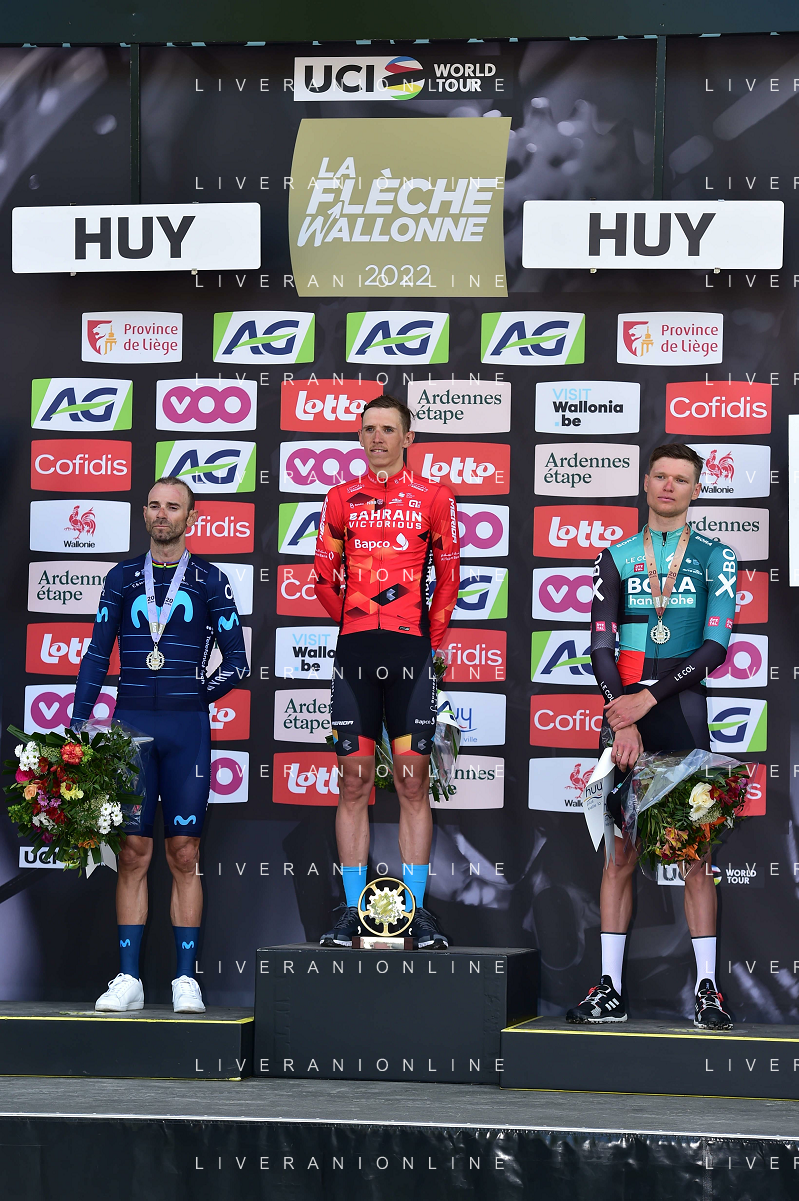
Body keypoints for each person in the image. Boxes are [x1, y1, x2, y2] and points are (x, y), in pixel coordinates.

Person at [566, 444, 738, 1030]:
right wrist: (626, 716)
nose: (669, 487)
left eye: (681, 479)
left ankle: (708, 991)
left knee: (697, 856)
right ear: (645, 483)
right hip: (624, 716)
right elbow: (600, 645)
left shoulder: (716, 555)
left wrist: (648, 699)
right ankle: (609, 990)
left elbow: (715, 647)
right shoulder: (614, 557)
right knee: (618, 856)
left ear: (696, 490)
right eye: (660, 476)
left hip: (680, 711)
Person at [71, 477, 249, 1013]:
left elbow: (238, 663)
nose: (161, 515)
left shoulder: (210, 580)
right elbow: (96, 655)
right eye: (154, 505)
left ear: (191, 518)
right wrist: (78, 723)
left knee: (185, 853)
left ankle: (185, 979)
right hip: (130, 729)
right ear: (144, 513)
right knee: (131, 852)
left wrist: (196, 693)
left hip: (187, 730)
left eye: (173, 507)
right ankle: (128, 978)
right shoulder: (122, 577)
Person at [313, 395, 460, 949]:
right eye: (369, 429)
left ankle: (415, 911)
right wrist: (356, 622)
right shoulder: (339, 497)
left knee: (412, 782)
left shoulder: (435, 497)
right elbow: (322, 575)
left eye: (388, 429)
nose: (377, 438)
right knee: (353, 781)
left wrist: (428, 643)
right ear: (359, 437)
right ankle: (354, 909)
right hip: (355, 656)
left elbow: (449, 577)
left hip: (410, 657)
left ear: (408, 437)